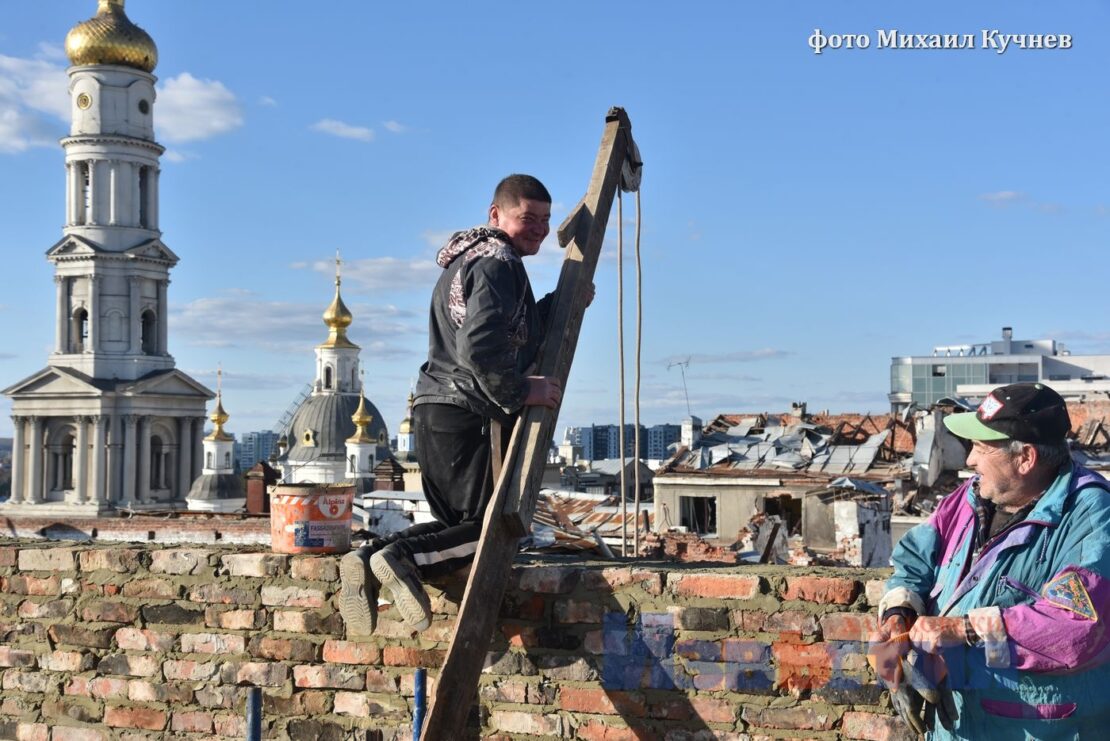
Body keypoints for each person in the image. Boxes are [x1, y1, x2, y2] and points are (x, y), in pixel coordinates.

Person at [339, 174, 565, 634]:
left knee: (458, 525)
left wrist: (559, 304)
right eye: (528, 218)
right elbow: (480, 347)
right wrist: (524, 392)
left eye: (545, 219)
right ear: (495, 215)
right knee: (491, 529)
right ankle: (400, 558)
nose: (539, 228)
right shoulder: (499, 262)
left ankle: (366, 559)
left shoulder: (467, 260)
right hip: (468, 412)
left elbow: (503, 329)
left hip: (434, 406)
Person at [873, 382, 1110, 739]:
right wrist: (898, 618)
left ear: (1025, 458)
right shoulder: (968, 500)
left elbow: (1075, 626)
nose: (969, 460)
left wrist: (962, 629)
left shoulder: (1090, 515)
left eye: (982, 448)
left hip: (1036, 728)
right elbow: (914, 560)